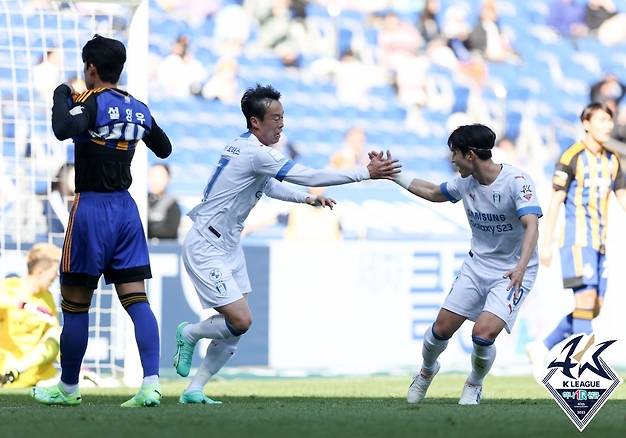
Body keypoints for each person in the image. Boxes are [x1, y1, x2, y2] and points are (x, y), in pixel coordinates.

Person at [173, 84, 400, 404]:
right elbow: (309, 175)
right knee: (241, 320)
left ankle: (194, 389)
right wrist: (365, 172)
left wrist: (306, 200)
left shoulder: (243, 147)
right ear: (255, 122)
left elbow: (268, 187)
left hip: (228, 244)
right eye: (275, 118)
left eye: (283, 117)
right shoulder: (256, 153)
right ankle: (191, 333)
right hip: (207, 243)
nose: (281, 124)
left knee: (237, 326)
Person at [30, 35, 172, 408]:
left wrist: (61, 93)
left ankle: (69, 389)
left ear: (91, 68)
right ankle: (151, 385)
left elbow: (62, 128)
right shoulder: (138, 108)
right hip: (126, 211)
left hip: (92, 208)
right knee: (137, 299)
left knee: (76, 304)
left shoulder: (89, 103)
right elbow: (165, 148)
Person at [387, 124, 541, 405]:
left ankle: (474, 383)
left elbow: (531, 225)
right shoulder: (466, 183)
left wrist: (520, 266)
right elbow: (433, 191)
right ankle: (425, 371)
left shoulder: (517, 181)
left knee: (482, 334)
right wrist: (393, 174)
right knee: (440, 330)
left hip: (513, 271)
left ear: (469, 155)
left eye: (454, 154)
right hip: (477, 265)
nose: (452, 160)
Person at [527, 103, 626, 374]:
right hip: (576, 241)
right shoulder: (571, 156)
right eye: (602, 120)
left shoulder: (612, 160)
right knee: (585, 301)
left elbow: (622, 198)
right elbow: (556, 201)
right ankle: (583, 368)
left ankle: (543, 347)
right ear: (586, 123)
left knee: (593, 307)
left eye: (610, 121)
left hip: (600, 243)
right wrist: (545, 244)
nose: (608, 126)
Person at [0, 243, 61, 388]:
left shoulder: (48, 299)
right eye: (54, 271)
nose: (56, 276)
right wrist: (22, 305)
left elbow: (53, 334)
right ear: (41, 271)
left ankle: (15, 370)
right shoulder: (10, 286)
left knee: (56, 333)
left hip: (25, 371)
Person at [148, 163, 181, 240]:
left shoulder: (172, 203)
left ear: (168, 179)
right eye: (152, 176)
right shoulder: (140, 200)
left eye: (159, 177)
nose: (155, 180)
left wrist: (147, 227)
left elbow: (170, 231)